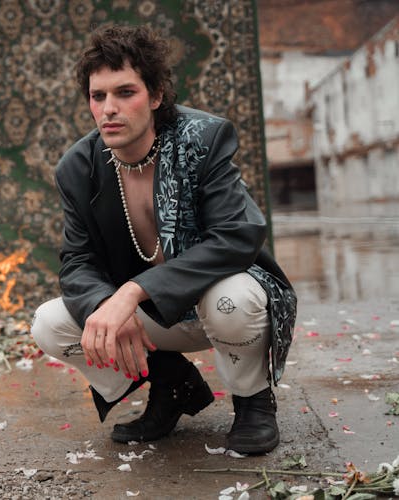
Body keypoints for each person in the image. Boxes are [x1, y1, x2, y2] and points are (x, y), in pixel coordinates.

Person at [30, 25, 296, 455]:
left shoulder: (202, 139)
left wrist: (133, 292)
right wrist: (105, 303)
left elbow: (238, 234)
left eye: (125, 92)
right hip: (156, 321)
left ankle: (253, 402)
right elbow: (76, 262)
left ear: (155, 96)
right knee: (50, 324)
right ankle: (171, 384)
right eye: (99, 96)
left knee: (232, 298)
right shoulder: (78, 168)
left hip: (219, 301)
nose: (109, 109)